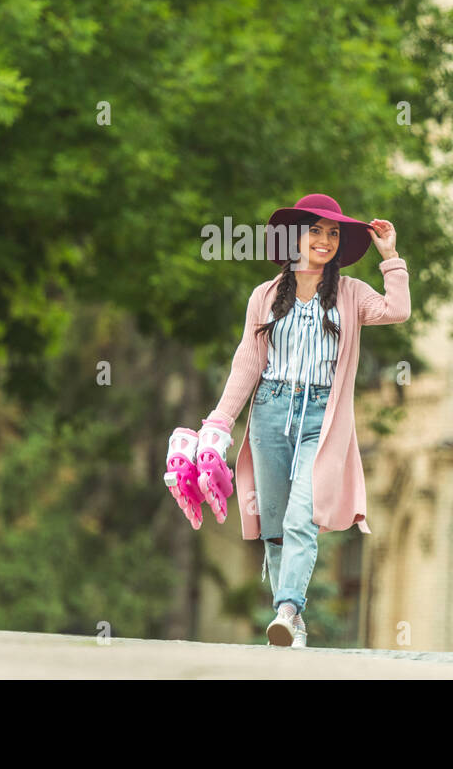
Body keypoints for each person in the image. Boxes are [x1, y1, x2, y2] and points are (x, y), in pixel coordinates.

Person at [166, 193, 410, 648]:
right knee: (275, 524)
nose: (324, 240)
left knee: (303, 516)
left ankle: (288, 610)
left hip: (323, 417)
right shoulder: (264, 295)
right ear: (294, 237)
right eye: (315, 231)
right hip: (270, 412)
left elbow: (397, 310)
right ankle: (291, 622)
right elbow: (247, 362)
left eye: (333, 233)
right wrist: (219, 422)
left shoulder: (352, 294)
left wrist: (391, 257)